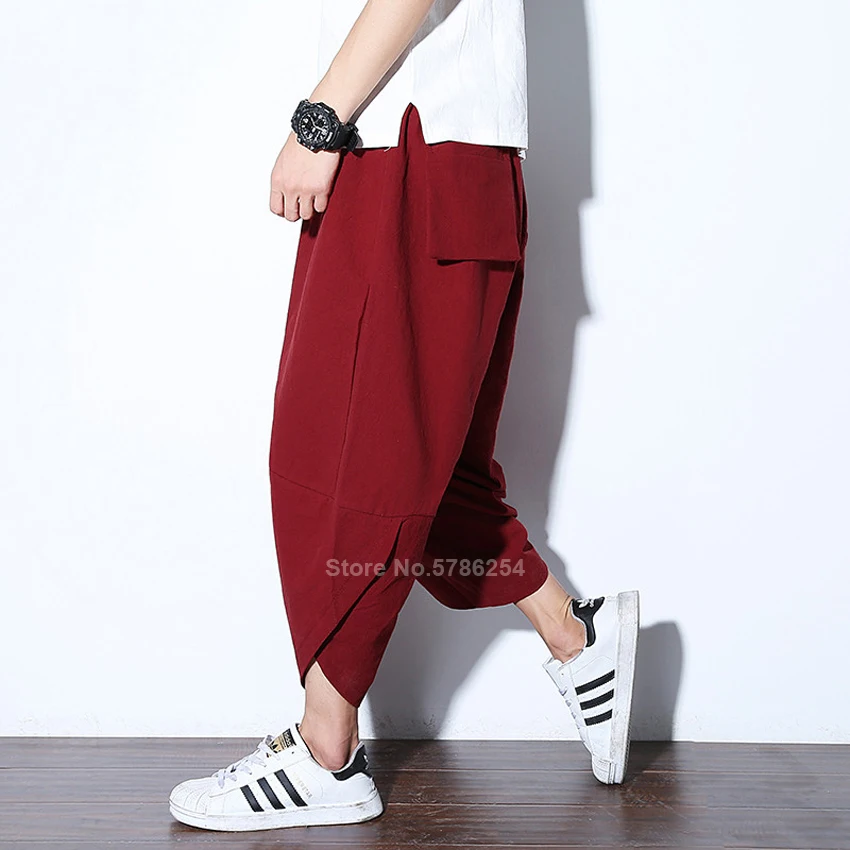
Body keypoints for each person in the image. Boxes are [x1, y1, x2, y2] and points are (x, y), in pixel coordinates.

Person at [169, 0, 639, 832]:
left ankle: (326, 753)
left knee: (350, 456)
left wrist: (318, 120)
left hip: (409, 151)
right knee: (427, 462)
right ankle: (577, 639)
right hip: (442, 155)